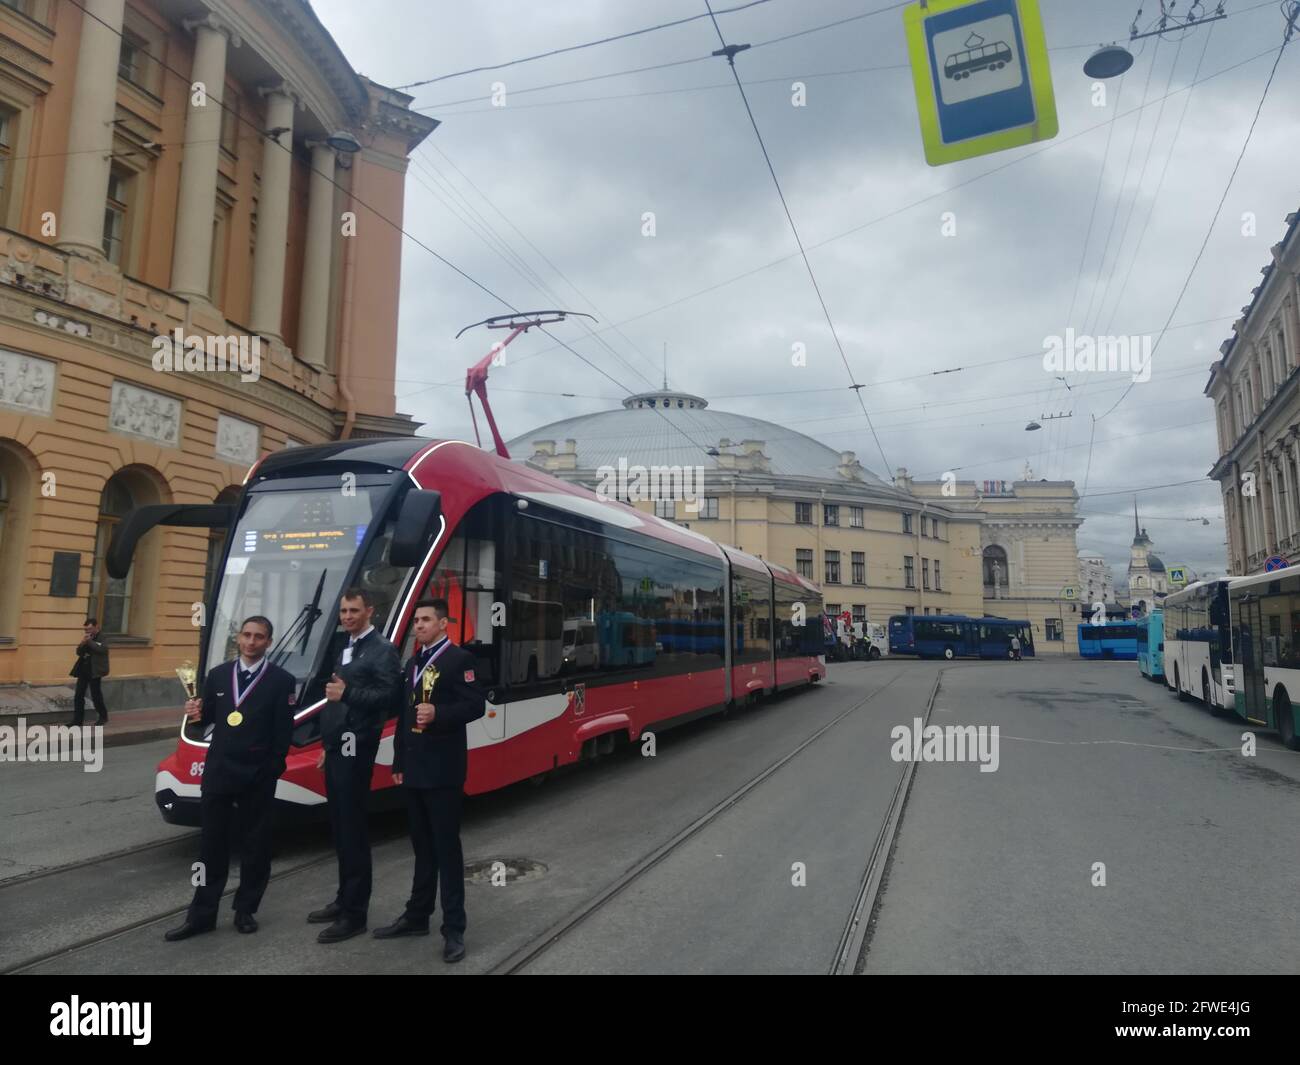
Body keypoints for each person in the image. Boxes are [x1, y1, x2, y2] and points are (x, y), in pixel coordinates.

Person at [164, 616, 295, 940]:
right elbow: (206, 719)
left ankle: (245, 909)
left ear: (268, 642)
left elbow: (283, 733)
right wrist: (195, 712)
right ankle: (201, 914)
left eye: (259, 637)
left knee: (255, 845)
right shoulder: (218, 675)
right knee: (211, 847)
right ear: (238, 638)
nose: (251, 642)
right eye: (247, 635)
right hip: (220, 771)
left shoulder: (282, 680)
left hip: (257, 774)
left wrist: (270, 769)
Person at [373, 599, 486, 963]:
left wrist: (439, 713)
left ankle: (454, 929)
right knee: (421, 848)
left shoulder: (459, 660)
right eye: (417, 620)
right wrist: (398, 760)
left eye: (425, 620)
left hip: (443, 771)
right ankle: (417, 915)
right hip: (414, 770)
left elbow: (475, 706)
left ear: (443, 624)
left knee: (446, 850)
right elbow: (406, 716)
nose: (418, 625)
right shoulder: (413, 663)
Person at [308, 588, 401, 944]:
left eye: (354, 610)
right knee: (340, 829)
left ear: (370, 612)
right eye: (344, 610)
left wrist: (347, 694)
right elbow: (334, 699)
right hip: (337, 748)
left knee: (353, 832)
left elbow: (388, 699)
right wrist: (327, 745)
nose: (347, 616)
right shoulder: (344, 644)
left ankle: (355, 914)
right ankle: (343, 899)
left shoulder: (382, 649)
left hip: (358, 748)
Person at [69, 618, 110, 725]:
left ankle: (103, 716)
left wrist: (89, 641)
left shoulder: (102, 637)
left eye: (90, 629)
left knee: (96, 694)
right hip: (84, 669)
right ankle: (77, 721)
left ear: (97, 627)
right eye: (86, 629)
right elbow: (79, 652)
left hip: (95, 670)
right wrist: (82, 644)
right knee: (78, 695)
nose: (87, 631)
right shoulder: (87, 637)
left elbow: (102, 649)